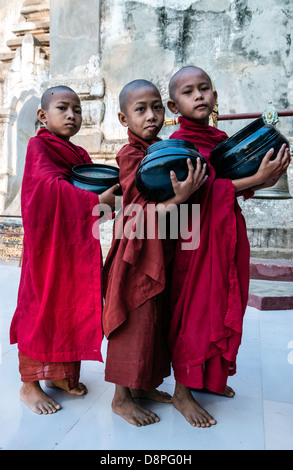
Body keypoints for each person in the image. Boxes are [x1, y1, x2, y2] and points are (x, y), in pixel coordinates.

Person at [166, 65, 291, 428]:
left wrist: (266, 178)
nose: (199, 96)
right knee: (197, 307)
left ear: (215, 96)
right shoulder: (178, 145)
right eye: (188, 92)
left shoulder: (221, 140)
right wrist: (257, 178)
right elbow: (203, 188)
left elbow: (235, 185)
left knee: (224, 301)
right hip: (196, 239)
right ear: (175, 107)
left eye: (204, 89)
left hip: (227, 231)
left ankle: (211, 378)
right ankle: (182, 391)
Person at [102, 79, 207, 427]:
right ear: (122, 118)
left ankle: (142, 386)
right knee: (133, 320)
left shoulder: (163, 150)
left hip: (163, 249)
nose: (152, 116)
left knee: (156, 322)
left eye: (157, 107)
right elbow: (137, 211)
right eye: (141, 109)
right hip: (135, 254)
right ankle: (120, 398)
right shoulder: (130, 155)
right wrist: (180, 197)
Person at [10, 85, 119, 415]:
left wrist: (104, 201)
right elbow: (44, 189)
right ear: (43, 116)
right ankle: (29, 385)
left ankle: (59, 375)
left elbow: (89, 189)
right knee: (40, 306)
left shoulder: (80, 156)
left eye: (77, 109)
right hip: (46, 247)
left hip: (74, 245)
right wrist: (94, 202)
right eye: (63, 108)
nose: (72, 114)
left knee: (69, 305)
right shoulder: (37, 147)